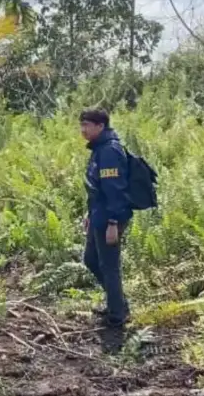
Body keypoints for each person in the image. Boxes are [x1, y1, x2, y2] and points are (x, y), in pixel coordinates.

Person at [80, 108, 132, 328]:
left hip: (110, 218)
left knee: (109, 266)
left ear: (100, 126)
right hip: (99, 215)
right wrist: (89, 213)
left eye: (87, 125)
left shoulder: (109, 151)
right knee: (91, 260)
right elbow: (97, 188)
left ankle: (117, 315)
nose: (82, 130)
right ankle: (117, 302)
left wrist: (113, 223)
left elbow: (114, 190)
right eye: (81, 125)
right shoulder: (98, 148)